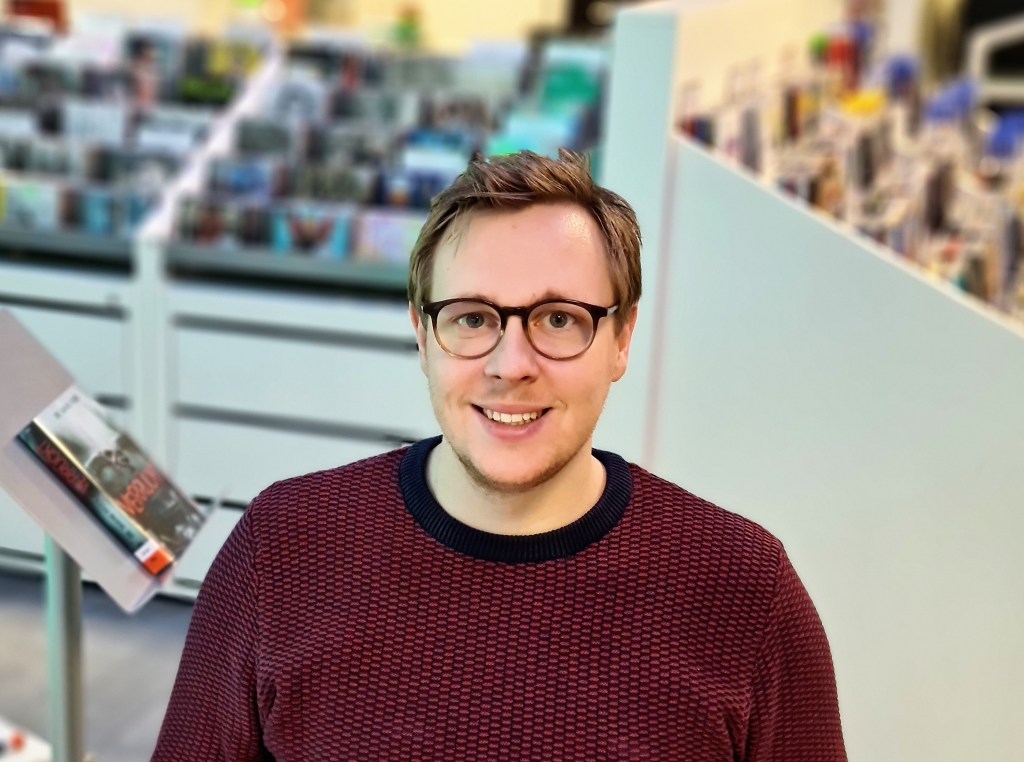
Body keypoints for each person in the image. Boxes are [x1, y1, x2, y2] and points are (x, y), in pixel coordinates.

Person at [153, 150, 846, 760]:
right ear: (423, 335)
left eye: (559, 319)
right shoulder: (283, 547)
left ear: (622, 339)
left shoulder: (744, 591)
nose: (511, 364)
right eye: (473, 318)